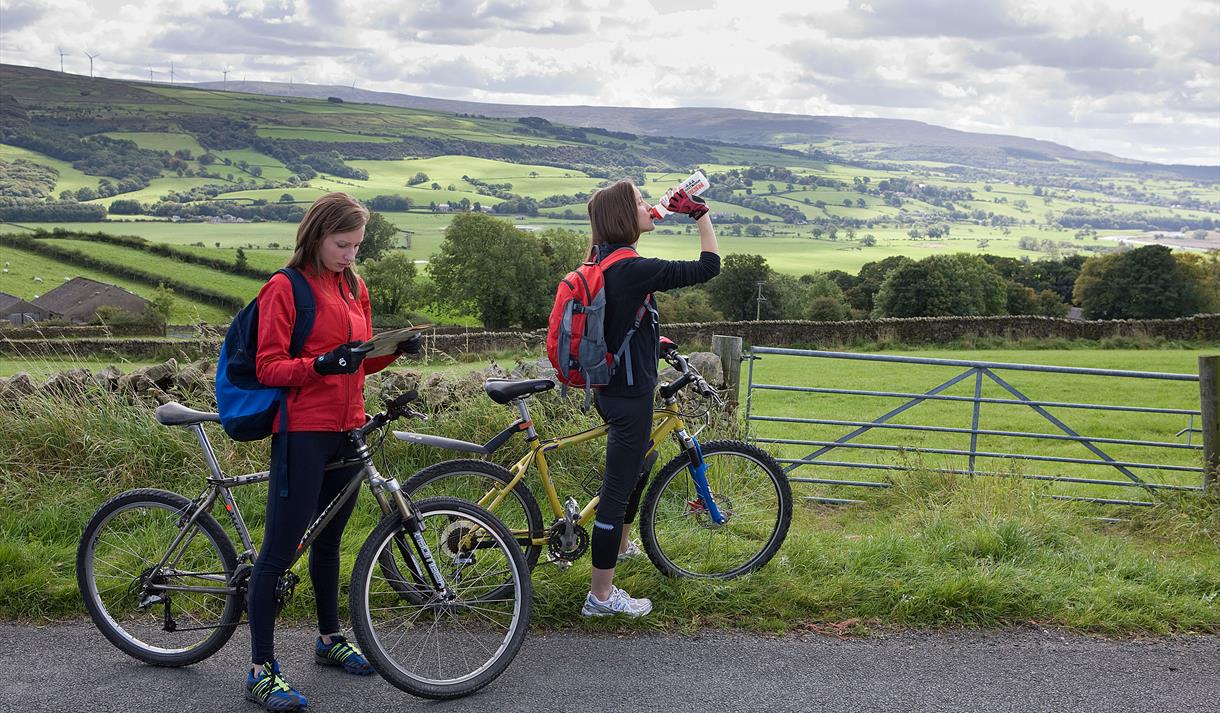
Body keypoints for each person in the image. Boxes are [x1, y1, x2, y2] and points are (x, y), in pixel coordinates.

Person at [244, 192, 422, 711]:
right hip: (302, 432)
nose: (350, 255)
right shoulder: (284, 287)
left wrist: (391, 351)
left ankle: (328, 639)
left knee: (329, 544)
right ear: (317, 236)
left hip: (349, 428)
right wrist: (321, 365)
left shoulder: (354, 285)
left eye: (357, 246)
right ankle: (259, 670)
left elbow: (358, 365)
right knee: (279, 550)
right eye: (342, 245)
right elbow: (268, 367)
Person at [580, 180, 720, 617]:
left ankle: (621, 546)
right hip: (628, 396)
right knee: (616, 493)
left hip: (612, 387)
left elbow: (619, 318)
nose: (648, 207)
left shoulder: (603, 260)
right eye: (640, 202)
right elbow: (709, 267)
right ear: (625, 217)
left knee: (643, 463)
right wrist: (699, 214)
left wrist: (650, 342)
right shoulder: (634, 268)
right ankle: (600, 597)